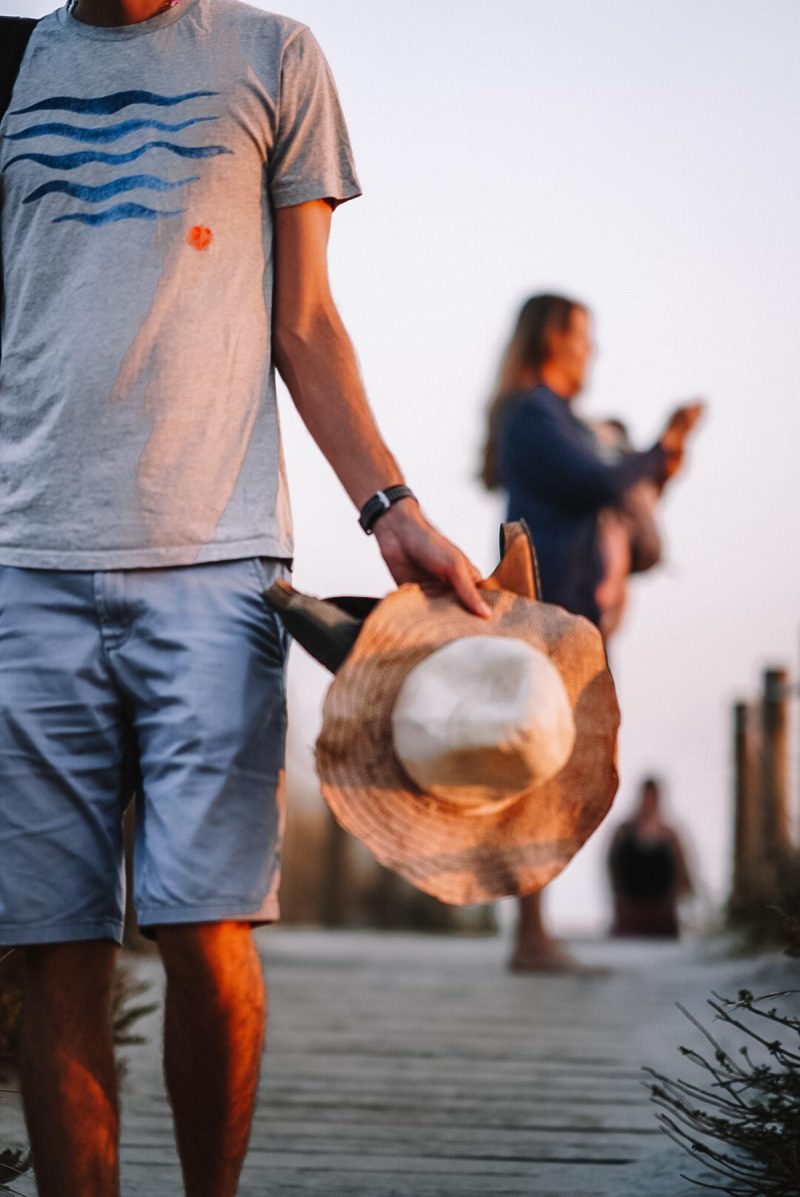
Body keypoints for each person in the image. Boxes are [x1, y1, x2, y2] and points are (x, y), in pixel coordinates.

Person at [0, 3, 488, 1196]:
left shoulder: (273, 58)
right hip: (23, 563)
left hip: (214, 562)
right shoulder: (8, 58)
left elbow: (305, 320)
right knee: (49, 946)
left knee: (203, 928)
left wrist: (392, 510)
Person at [480, 292, 702, 970]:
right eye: (584, 335)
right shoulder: (534, 415)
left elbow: (610, 483)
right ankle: (530, 936)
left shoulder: (553, 417)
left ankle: (533, 933)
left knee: (559, 768)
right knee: (542, 768)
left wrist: (663, 458)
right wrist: (659, 448)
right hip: (549, 610)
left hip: (568, 613)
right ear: (554, 337)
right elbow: (598, 481)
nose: (593, 349)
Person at [607, 777, 693, 938]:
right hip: (631, 914)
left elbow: (683, 872)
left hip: (661, 915)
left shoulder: (670, 835)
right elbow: (612, 868)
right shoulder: (623, 833)